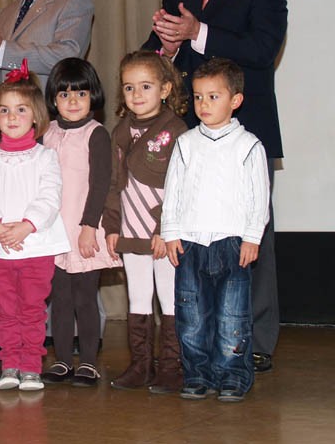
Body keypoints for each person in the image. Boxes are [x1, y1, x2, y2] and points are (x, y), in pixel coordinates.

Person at [145, 0, 287, 373]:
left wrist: (198, 32)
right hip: (187, 138)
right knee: (187, 236)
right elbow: (152, 62)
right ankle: (199, 338)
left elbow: (262, 51)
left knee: (251, 235)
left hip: (245, 136)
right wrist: (165, 46)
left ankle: (257, 338)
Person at [163, 58, 270, 402]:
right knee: (191, 315)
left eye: (213, 97)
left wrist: (252, 237)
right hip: (192, 244)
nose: (203, 104)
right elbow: (173, 191)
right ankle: (197, 374)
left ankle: (233, 375)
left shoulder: (248, 145)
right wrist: (171, 233)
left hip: (232, 243)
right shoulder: (186, 143)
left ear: (235, 100)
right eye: (198, 97)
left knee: (231, 318)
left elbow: (259, 198)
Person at [0, 60, 69, 392]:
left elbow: (50, 196)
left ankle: (31, 367)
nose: (12, 117)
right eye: (5, 111)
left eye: (21, 109)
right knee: (7, 310)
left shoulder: (45, 157)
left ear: (36, 117)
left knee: (31, 309)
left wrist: (27, 226)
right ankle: (9, 363)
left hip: (36, 246)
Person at [102, 50, 187, 393]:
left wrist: (166, 229)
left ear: (165, 89)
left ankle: (171, 367)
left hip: (162, 235)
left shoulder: (176, 130)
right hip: (131, 232)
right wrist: (111, 227)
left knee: (168, 298)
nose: (137, 95)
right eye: (129, 88)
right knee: (137, 298)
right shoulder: (120, 130)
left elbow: (182, 187)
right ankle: (140, 366)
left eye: (146, 87)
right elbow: (112, 183)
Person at [41, 58, 121, 388]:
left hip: (84, 228)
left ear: (93, 97)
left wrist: (90, 227)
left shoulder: (96, 134)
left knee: (85, 298)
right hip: (53, 232)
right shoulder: (47, 133)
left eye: (81, 93)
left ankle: (88, 362)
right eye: (64, 94)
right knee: (59, 300)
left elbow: (101, 182)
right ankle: (61, 360)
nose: (73, 101)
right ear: (53, 99)